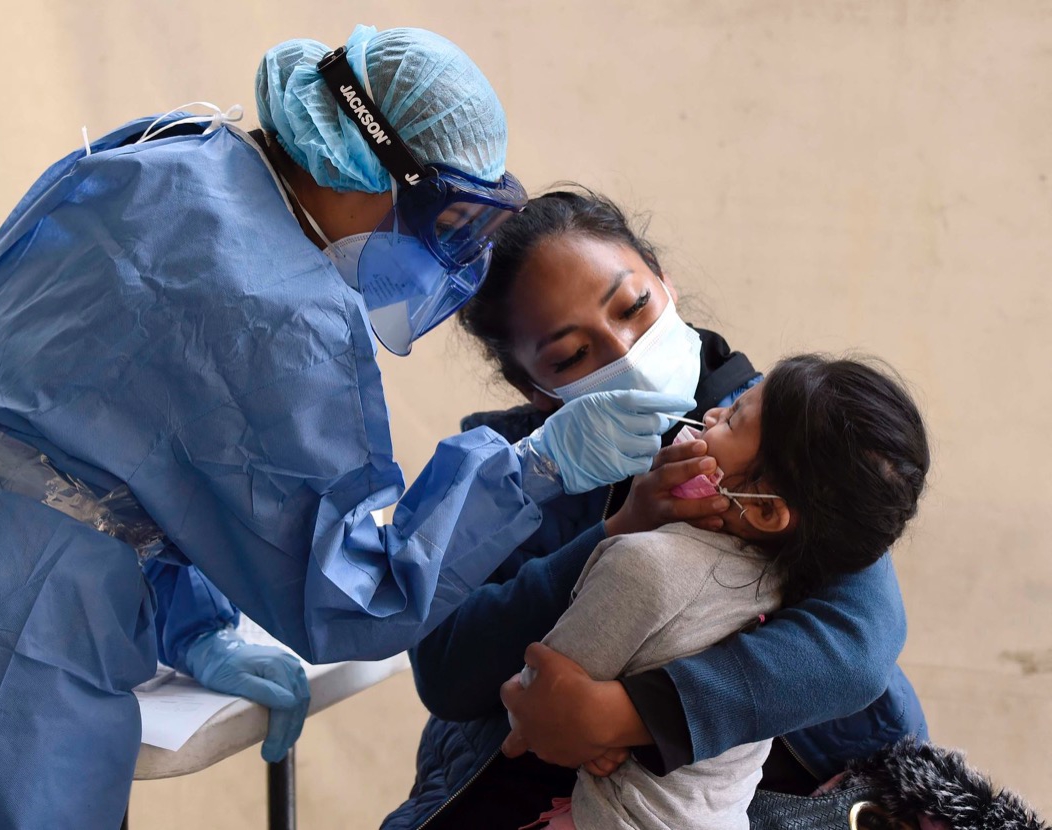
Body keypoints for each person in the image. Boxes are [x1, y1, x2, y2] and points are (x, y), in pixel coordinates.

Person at [0, 29, 695, 830]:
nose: (445, 250)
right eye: (447, 216)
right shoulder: (281, 310)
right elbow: (353, 598)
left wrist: (191, 620)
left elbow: (94, 448)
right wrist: (533, 469)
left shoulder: (161, 154)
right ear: (373, 170)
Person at [382, 190, 926, 830]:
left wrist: (623, 716)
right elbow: (445, 670)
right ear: (534, 388)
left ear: (665, 282)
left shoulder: (790, 431)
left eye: (634, 307)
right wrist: (615, 532)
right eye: (572, 355)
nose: (624, 351)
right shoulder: (499, 472)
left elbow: (860, 641)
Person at [513, 354, 931, 830]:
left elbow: (537, 705)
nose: (709, 415)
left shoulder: (642, 566)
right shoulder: (790, 581)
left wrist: (573, 718)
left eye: (732, 420)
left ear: (767, 511)